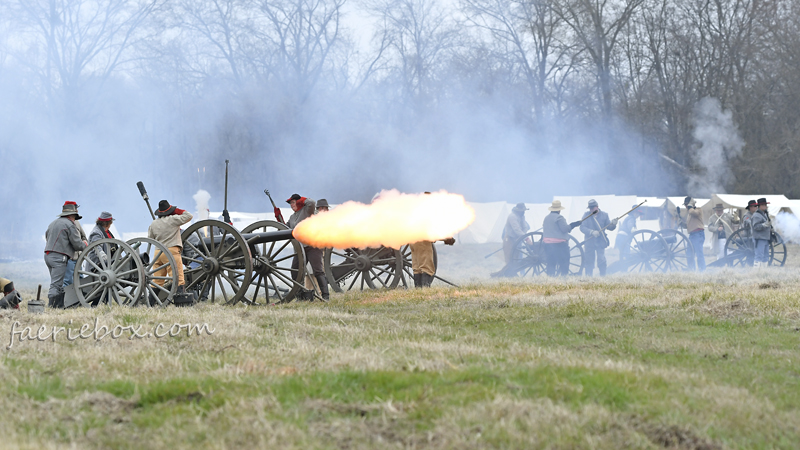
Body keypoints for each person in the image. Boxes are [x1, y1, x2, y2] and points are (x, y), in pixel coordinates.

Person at [44, 202, 88, 308]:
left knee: (56, 282)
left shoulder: (53, 223)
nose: (75, 219)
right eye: (74, 217)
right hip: (59, 257)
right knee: (57, 284)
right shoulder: (69, 224)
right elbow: (77, 244)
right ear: (71, 215)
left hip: (48, 255)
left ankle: (59, 305)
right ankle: (53, 306)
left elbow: (47, 236)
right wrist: (85, 245)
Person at [286, 193, 329, 300]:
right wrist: (278, 218)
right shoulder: (292, 217)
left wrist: (302, 200)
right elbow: (284, 229)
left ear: (299, 202)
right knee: (295, 271)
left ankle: (325, 296)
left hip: (312, 246)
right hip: (300, 248)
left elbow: (312, 202)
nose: (291, 205)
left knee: (318, 271)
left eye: (293, 202)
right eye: (290, 203)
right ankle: (301, 296)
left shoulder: (307, 211)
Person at [410, 192, 456, 288]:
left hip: (413, 240)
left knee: (417, 267)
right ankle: (425, 289)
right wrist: (446, 238)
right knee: (426, 267)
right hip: (422, 241)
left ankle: (418, 290)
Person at [148, 200, 193, 294]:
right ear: (170, 211)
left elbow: (150, 238)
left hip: (158, 253)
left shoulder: (154, 223)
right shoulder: (173, 219)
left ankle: (152, 302)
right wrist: (175, 210)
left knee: (157, 281)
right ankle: (180, 301)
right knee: (178, 279)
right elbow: (189, 216)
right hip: (171, 251)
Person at [579, 199, 617, 276]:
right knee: (589, 260)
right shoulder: (586, 215)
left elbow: (609, 227)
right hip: (589, 242)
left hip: (600, 241)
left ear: (597, 207)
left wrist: (613, 224)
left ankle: (603, 276)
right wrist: (591, 232)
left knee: (601, 259)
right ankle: (588, 277)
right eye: (590, 208)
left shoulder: (604, 215)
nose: (591, 210)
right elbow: (582, 227)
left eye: (593, 208)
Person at [542, 200, 580, 276]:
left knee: (551, 263)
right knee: (564, 262)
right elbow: (565, 229)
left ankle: (550, 278)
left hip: (547, 244)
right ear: (559, 210)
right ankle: (563, 277)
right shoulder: (559, 218)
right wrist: (572, 225)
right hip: (560, 245)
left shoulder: (546, 218)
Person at [61, 201, 88, 289]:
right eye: (75, 209)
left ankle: (78, 299)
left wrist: (84, 242)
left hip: (78, 256)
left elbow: (83, 236)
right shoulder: (63, 223)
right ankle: (66, 300)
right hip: (69, 257)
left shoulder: (77, 223)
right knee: (68, 280)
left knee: (80, 279)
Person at [681, 196, 706, 271]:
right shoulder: (690, 213)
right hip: (692, 235)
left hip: (698, 234)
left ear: (690, 204)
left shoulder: (698, 210)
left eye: (686, 204)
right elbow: (689, 226)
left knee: (699, 254)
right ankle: (691, 269)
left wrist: (690, 206)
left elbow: (692, 212)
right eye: (685, 205)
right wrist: (682, 224)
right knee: (689, 254)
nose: (686, 206)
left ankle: (702, 270)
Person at [751, 198, 772, 268]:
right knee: (759, 256)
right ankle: (756, 272)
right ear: (760, 206)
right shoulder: (756, 215)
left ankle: (764, 271)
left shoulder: (764, 214)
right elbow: (756, 227)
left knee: (766, 256)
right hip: (759, 238)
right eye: (764, 205)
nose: (766, 206)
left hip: (765, 238)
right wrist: (765, 224)